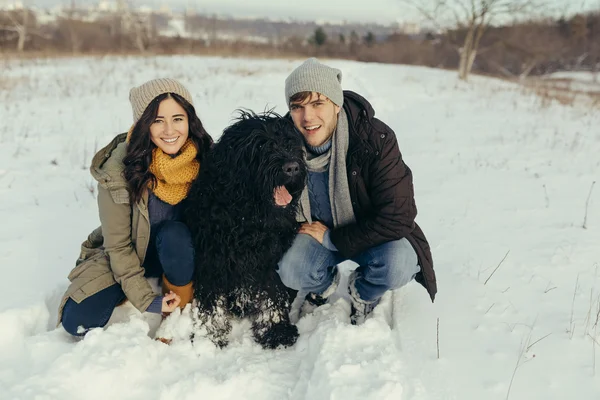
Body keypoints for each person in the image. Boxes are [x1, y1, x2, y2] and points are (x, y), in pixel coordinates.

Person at [277, 58, 437, 325]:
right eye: (298, 107)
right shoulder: (279, 144)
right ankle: (321, 287)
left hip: (369, 236)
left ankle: (363, 291)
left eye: (318, 103)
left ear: (336, 104)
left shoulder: (374, 139)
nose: (308, 117)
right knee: (291, 269)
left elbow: (398, 215)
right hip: (314, 237)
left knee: (399, 266)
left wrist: (333, 238)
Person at [58, 78, 213, 337]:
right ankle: (125, 289)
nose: (169, 130)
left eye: (177, 118)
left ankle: (178, 306)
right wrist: (146, 299)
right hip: (129, 255)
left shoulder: (206, 159)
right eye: (157, 120)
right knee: (78, 321)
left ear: (190, 121)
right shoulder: (118, 170)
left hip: (180, 253)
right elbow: (117, 246)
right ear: (143, 125)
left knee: (175, 233)